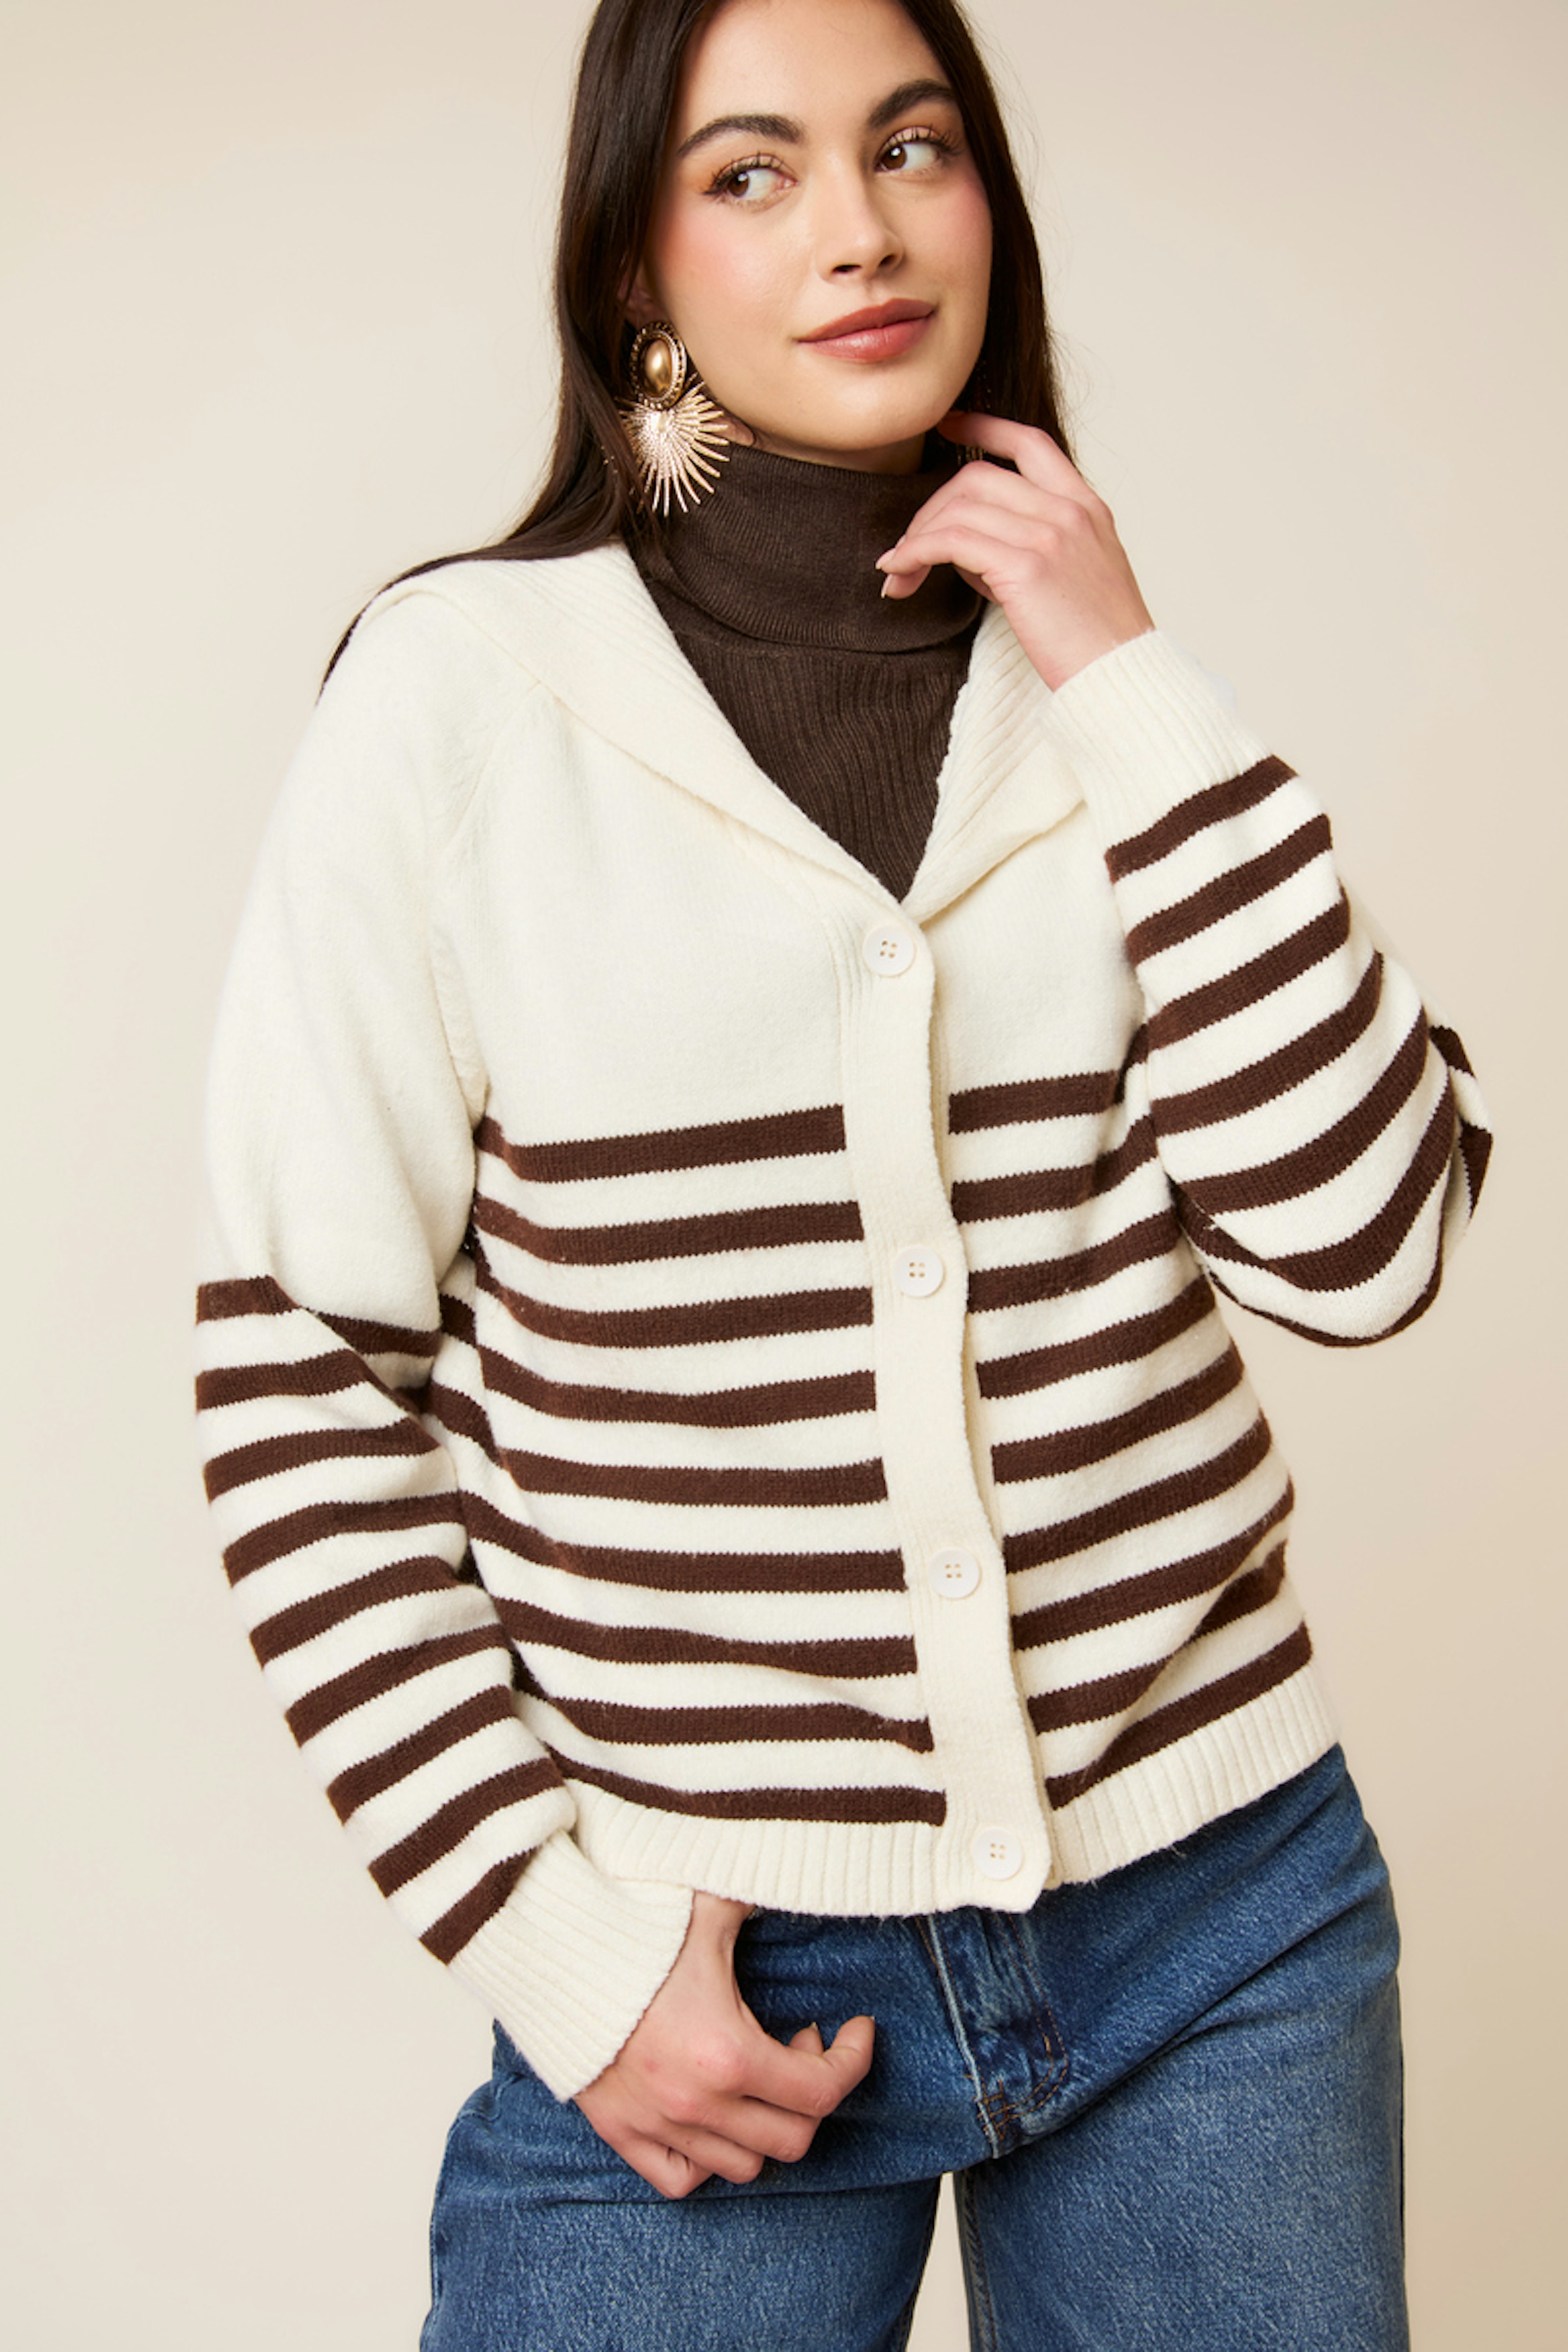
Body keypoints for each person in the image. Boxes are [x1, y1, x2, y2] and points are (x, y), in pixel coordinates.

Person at [195, 0, 1491, 2343]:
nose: (865, 229)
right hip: (714, 1963)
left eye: (914, 147)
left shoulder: (1108, 708)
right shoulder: (462, 698)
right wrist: (556, 1945)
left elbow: (1366, 1244)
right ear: (634, 267)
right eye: (754, 171)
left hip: (1223, 1914)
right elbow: (302, 1380)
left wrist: (1130, 672)